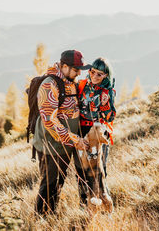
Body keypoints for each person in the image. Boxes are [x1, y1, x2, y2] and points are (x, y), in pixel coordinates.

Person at [33, 50, 91, 214]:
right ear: (64, 66)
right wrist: (74, 139)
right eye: (76, 69)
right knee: (50, 183)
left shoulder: (71, 80)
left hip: (67, 142)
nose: (79, 72)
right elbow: (50, 121)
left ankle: (52, 216)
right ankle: (42, 219)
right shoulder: (49, 85)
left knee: (60, 180)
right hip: (51, 144)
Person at [74, 57, 116, 206]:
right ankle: (84, 203)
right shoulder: (82, 85)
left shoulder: (108, 90)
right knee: (80, 168)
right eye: (93, 72)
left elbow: (111, 117)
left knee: (99, 168)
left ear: (106, 75)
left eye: (100, 74)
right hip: (81, 131)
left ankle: (103, 202)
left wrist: (105, 105)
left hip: (97, 132)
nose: (95, 76)